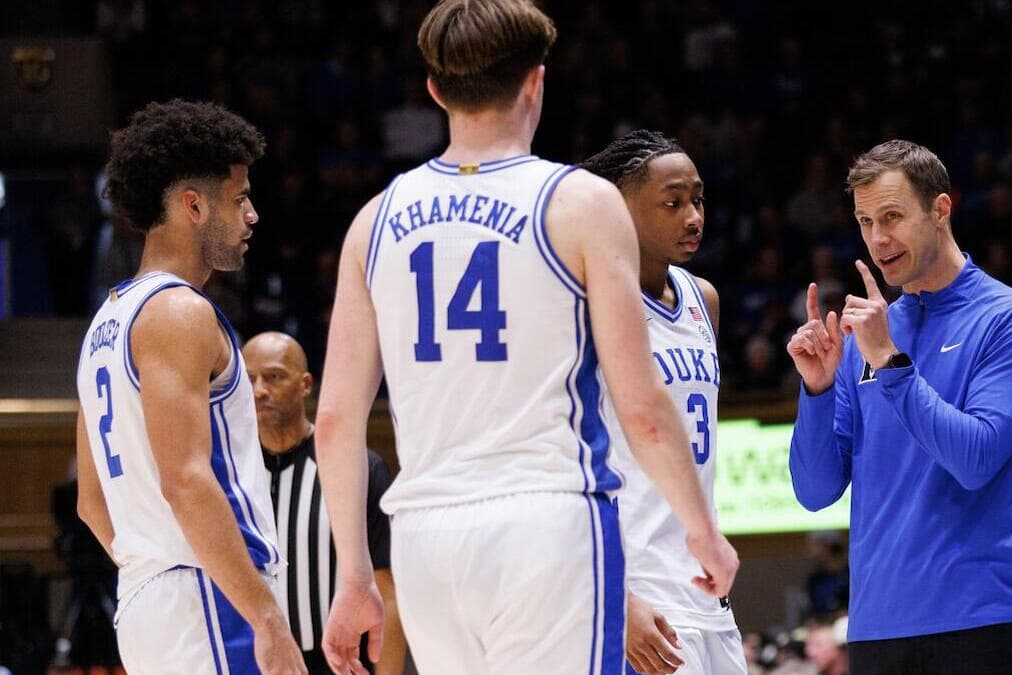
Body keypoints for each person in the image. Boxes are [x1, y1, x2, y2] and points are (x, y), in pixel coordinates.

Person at [314, 2, 738, 674]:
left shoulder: (374, 222)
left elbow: (337, 420)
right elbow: (641, 407)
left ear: (435, 90)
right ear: (536, 81)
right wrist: (703, 530)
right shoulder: (580, 202)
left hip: (426, 535)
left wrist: (354, 576)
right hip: (547, 521)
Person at [787, 139, 1012, 674]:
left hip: (981, 622)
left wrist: (890, 364)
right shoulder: (869, 337)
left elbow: (975, 459)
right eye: (865, 222)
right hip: (877, 628)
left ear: (940, 209)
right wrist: (817, 390)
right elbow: (814, 492)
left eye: (892, 217)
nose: (878, 239)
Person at [74, 100, 305, 674]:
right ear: (194, 205)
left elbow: (91, 503)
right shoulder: (178, 311)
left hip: (149, 602)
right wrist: (265, 616)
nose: (252, 215)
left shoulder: (105, 324)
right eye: (240, 198)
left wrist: (155, 565)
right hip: (208, 599)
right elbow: (186, 479)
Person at [580, 130, 746, 675]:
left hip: (707, 591)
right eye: (672, 203)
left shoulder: (704, 298)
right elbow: (565, 459)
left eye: (697, 199)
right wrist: (615, 596)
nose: (693, 217)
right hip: (641, 591)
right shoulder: (587, 307)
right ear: (619, 209)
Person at [244, 332, 407, 674]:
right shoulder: (232, 473)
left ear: (305, 384)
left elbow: (387, 591)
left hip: (338, 663)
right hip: (252, 662)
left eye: (273, 377)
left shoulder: (357, 468)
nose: (259, 390)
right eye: (249, 379)